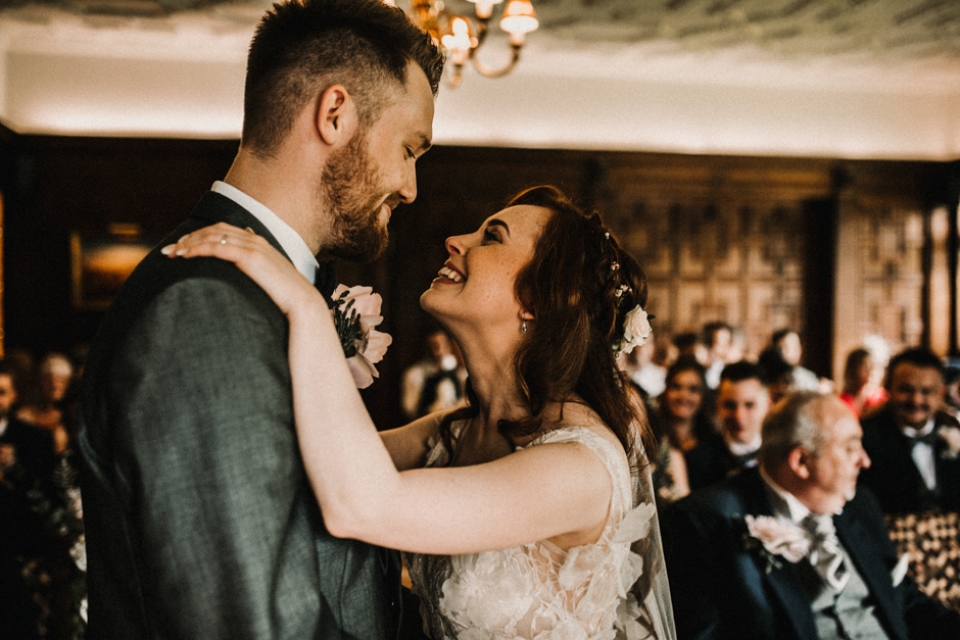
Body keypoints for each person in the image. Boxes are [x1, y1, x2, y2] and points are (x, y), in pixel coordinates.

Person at [76, 1, 443, 637]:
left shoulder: (281, 293)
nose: (411, 187)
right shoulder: (203, 311)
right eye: (409, 149)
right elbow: (252, 622)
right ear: (335, 115)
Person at [164, 185, 676, 639]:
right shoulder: (454, 431)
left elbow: (358, 504)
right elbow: (312, 465)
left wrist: (306, 311)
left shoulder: (580, 468)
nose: (456, 240)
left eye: (491, 237)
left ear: (538, 302)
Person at [665, 391, 960, 640]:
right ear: (802, 462)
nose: (865, 460)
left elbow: (904, 600)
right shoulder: (704, 521)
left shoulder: (861, 503)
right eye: (850, 447)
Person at [859, 347, 960, 514]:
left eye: (926, 391)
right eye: (906, 390)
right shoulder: (866, 438)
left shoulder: (953, 431)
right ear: (888, 387)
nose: (916, 400)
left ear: (940, 392)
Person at [0, 359, 57, 640]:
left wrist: (15, 468)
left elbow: (46, 496)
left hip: (20, 555)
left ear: (13, 396)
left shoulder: (34, 440)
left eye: (0, 392)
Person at [684, 360, 771, 491]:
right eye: (730, 405)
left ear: (768, 405)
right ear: (718, 405)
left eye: (749, 405)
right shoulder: (697, 461)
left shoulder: (781, 455)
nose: (739, 416)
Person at [400, 329, 466, 420]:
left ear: (450, 347)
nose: (439, 352)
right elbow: (410, 409)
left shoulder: (460, 373)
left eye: (444, 346)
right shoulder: (415, 374)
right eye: (434, 346)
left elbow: (466, 401)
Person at [17, 353, 73, 454]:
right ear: (40, 382)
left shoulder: (70, 416)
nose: (55, 385)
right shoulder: (24, 416)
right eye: (49, 379)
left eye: (62, 380)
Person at [838, 347, 887, 418]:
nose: (870, 372)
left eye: (872, 367)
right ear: (853, 371)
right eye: (865, 367)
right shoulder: (842, 401)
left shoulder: (882, 398)